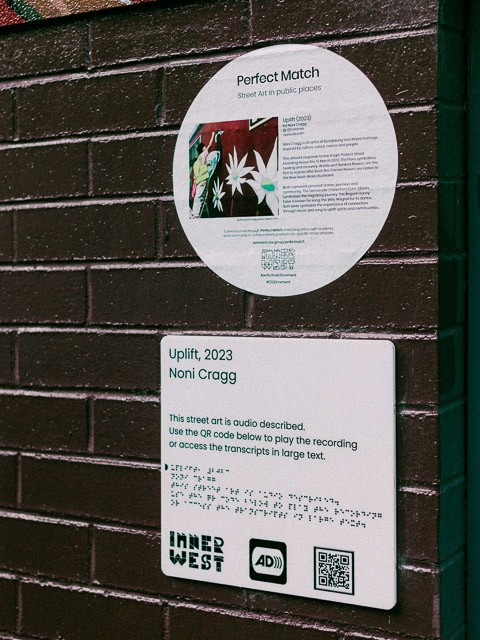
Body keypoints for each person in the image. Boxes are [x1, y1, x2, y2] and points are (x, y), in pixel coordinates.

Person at [190, 131, 216, 218]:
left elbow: (200, 169)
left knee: (197, 197)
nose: (205, 147)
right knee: (200, 198)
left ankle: (195, 213)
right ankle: (196, 215)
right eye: (204, 147)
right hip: (203, 180)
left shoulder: (196, 162)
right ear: (202, 149)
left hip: (198, 182)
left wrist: (207, 164)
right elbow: (210, 145)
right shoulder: (203, 154)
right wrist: (213, 135)